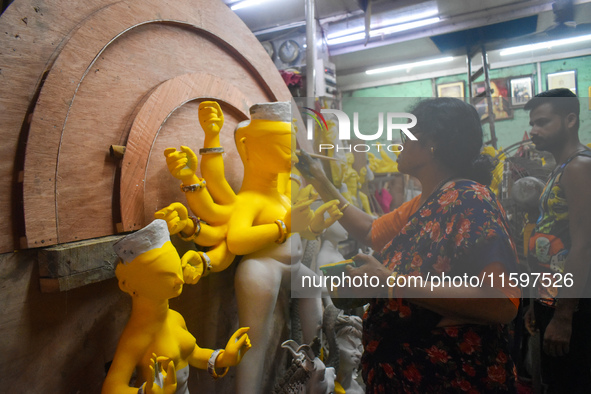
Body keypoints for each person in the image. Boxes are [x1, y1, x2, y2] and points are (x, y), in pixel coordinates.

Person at [297, 97, 520, 392]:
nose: (397, 145)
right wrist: (319, 179)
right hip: (404, 373)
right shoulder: (424, 203)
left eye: (405, 136)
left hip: (450, 377)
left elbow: (501, 303)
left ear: (432, 144)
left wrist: (390, 282)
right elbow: (370, 229)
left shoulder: (471, 201)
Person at [102, 219, 251, 394]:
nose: (180, 279)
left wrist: (223, 358)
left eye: (176, 269)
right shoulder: (136, 337)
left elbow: (193, 353)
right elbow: (111, 388)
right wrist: (144, 392)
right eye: (165, 275)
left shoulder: (175, 318)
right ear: (128, 284)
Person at [523, 89, 591, 393]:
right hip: (554, 297)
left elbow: (584, 244)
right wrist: (537, 302)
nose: (534, 131)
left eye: (542, 122)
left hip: (574, 308)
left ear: (570, 120)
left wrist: (563, 317)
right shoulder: (559, 169)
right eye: (532, 123)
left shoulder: (579, 168)